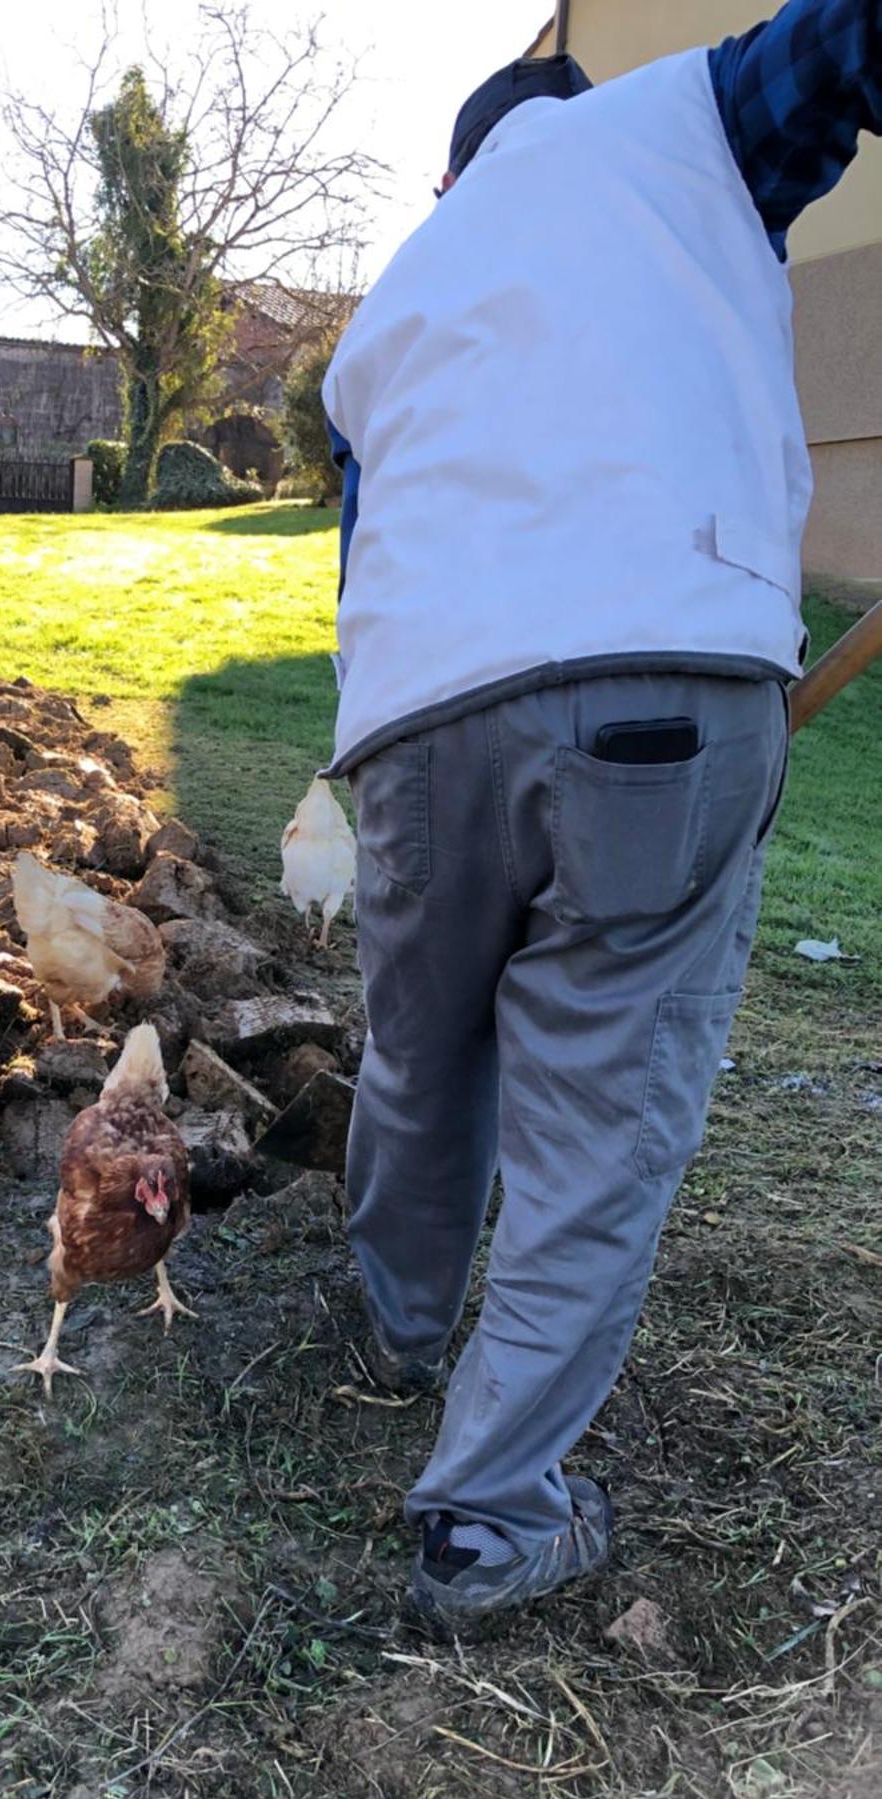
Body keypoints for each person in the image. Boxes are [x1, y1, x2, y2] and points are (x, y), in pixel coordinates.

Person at [323, 0, 881, 1636]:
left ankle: (394, 1324)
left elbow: (369, 563)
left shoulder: (401, 295)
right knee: (595, 1128)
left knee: (420, 1049)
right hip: (658, 680)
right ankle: (490, 1521)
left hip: (416, 722)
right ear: (572, 109)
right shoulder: (682, 124)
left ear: (456, 169)